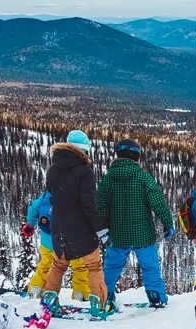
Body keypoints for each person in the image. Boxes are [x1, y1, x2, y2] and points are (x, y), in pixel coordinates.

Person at [96, 138, 173, 309]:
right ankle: (156, 297)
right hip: (143, 235)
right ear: (137, 156)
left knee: (111, 268)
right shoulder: (143, 178)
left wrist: (102, 232)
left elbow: (99, 208)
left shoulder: (108, 180)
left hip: (117, 236)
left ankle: (104, 297)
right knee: (150, 267)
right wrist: (168, 223)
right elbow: (158, 203)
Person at [42, 129, 110, 316]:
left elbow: (51, 195)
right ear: (84, 151)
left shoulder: (53, 170)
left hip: (59, 228)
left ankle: (48, 300)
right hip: (81, 230)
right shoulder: (84, 172)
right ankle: (99, 304)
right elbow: (88, 204)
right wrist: (101, 229)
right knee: (94, 266)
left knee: (58, 265)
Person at [21, 189, 55, 298]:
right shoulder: (75, 190)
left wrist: (30, 225)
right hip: (69, 239)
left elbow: (33, 208)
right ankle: (80, 294)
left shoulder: (47, 194)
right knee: (79, 266)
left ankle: (36, 288)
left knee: (45, 264)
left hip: (47, 238)